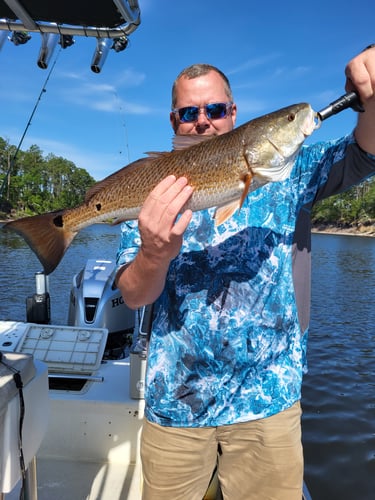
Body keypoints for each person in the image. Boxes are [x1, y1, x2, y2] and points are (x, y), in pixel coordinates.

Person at [116, 47, 375, 500]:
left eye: (215, 109)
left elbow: (364, 153)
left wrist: (372, 98)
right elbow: (135, 297)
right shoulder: (152, 188)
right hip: (174, 408)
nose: (203, 121)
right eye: (188, 113)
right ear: (173, 121)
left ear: (234, 114)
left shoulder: (292, 174)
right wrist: (154, 255)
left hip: (267, 405)